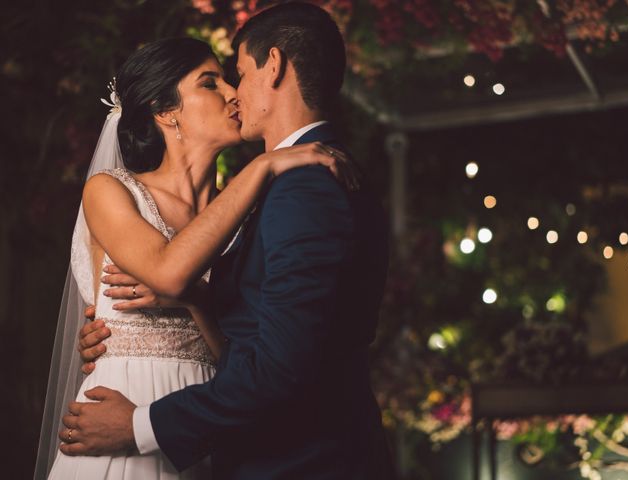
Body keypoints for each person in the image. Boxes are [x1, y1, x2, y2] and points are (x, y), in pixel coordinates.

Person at [60, 3, 394, 479]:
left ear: (273, 65)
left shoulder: (288, 188)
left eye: (234, 74)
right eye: (212, 82)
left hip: (212, 431)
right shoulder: (121, 191)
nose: (233, 93)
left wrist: (142, 422)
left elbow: (264, 356)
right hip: (151, 411)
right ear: (165, 113)